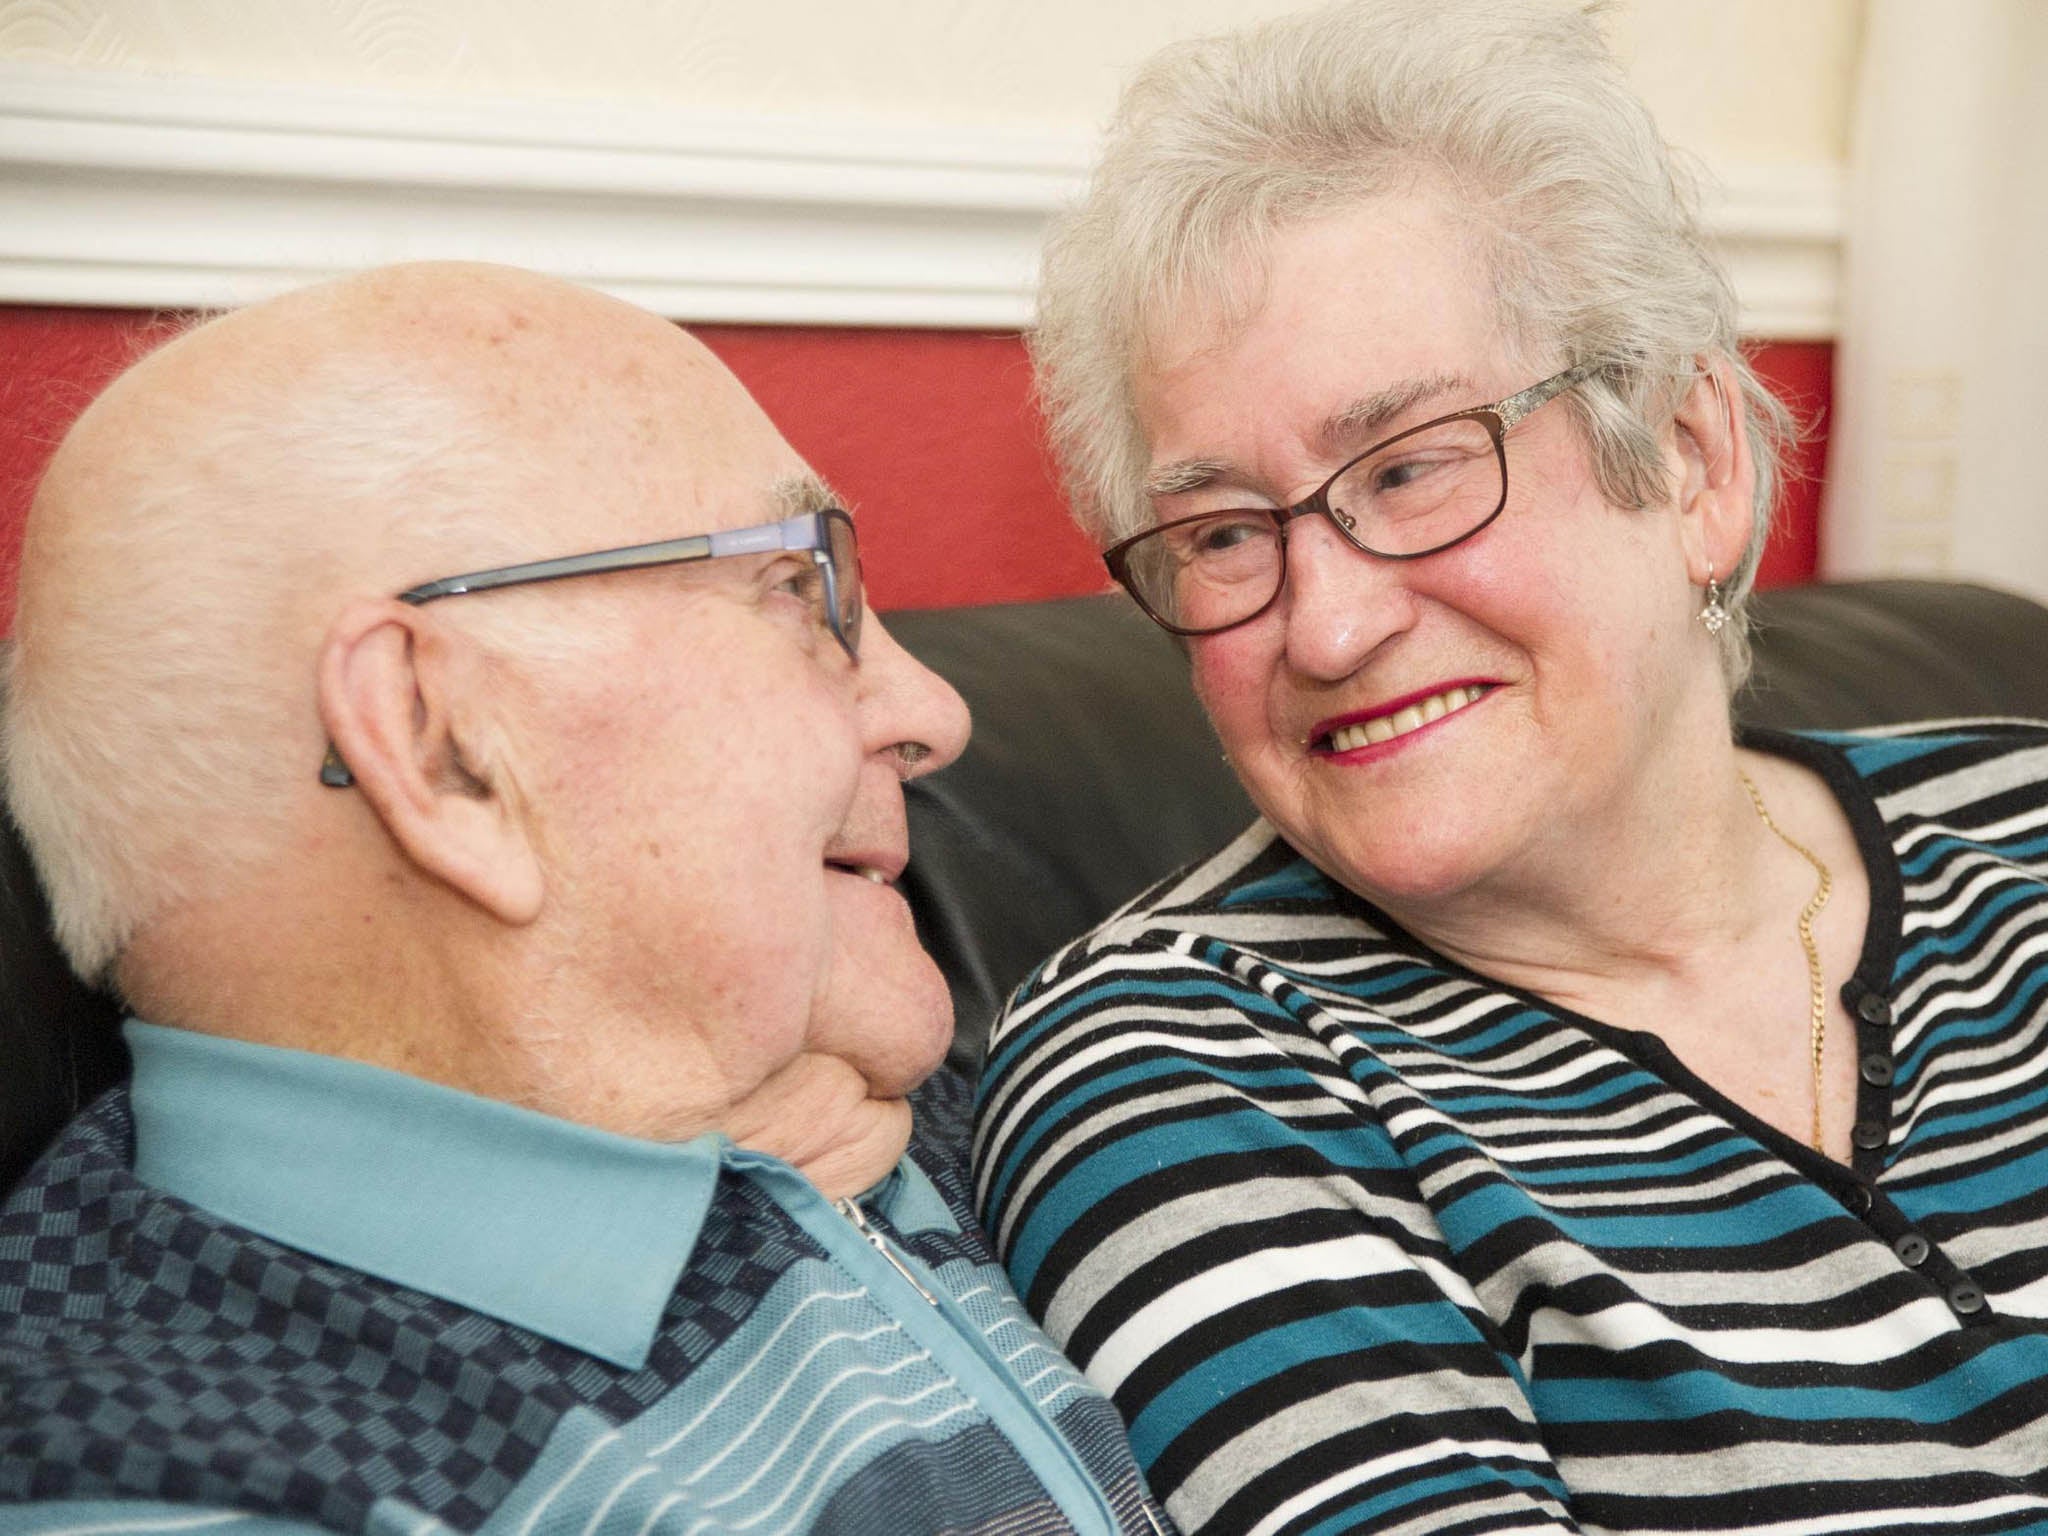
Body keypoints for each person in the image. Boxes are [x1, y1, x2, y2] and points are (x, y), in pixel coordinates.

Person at [971, 3, 2048, 1533]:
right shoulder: (1184, 1072)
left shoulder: (2024, 817)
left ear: (1687, 457)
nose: (1328, 627)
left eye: (1411, 468)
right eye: (1222, 537)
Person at [0, 262, 1170, 1536]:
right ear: (439, 746)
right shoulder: (154, 1485)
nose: (931, 715)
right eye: (800, 591)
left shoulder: (980, 1118)